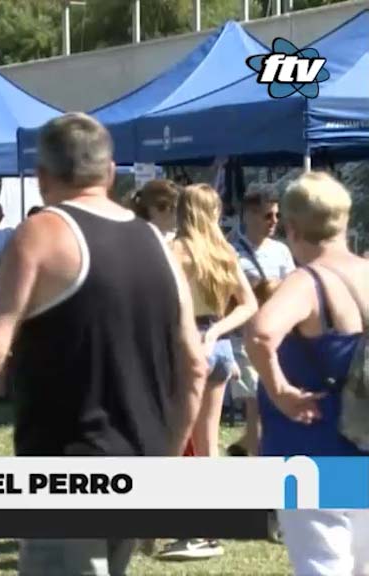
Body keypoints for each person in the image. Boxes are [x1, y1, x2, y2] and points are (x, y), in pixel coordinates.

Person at [0, 113, 207, 576]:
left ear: (42, 178)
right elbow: (194, 365)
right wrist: (167, 460)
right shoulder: (157, 242)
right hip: (140, 460)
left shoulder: (42, 232)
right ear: (109, 173)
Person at [245, 172, 368, 575]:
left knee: (322, 562)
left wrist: (279, 390)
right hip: (364, 442)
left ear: (291, 228)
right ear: (344, 220)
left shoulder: (305, 281)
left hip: (314, 447)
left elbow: (261, 333)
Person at [157, 184, 258, 561]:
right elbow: (248, 305)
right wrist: (216, 331)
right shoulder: (224, 252)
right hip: (219, 346)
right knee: (208, 444)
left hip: (182, 346)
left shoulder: (172, 252)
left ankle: (186, 527)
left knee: (176, 440)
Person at [227, 185, 296, 457]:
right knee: (255, 403)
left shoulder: (281, 251)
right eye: (268, 216)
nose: (274, 222)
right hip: (244, 338)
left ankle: (247, 447)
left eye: (277, 216)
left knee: (273, 404)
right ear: (249, 215)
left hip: (277, 338)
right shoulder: (231, 250)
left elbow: (292, 289)